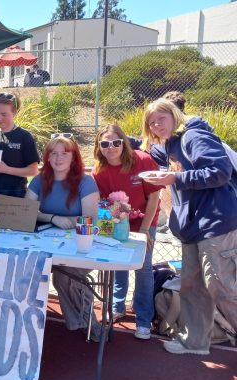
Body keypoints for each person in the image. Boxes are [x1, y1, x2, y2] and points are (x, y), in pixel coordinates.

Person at [143, 98, 237, 355]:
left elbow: (220, 171)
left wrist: (176, 177)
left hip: (215, 224)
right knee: (193, 288)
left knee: (222, 287)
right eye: (151, 122)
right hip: (192, 229)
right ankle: (195, 342)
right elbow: (147, 151)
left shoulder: (194, 137)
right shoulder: (171, 145)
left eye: (161, 118)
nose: (156, 125)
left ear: (174, 115)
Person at [26, 134, 101, 339]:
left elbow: (91, 219)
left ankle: (88, 324)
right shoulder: (39, 180)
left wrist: (66, 220)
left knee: (64, 275)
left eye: (64, 154)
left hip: (80, 242)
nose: (58, 158)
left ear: (74, 158)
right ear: (47, 158)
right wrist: (53, 217)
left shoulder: (85, 181)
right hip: (44, 242)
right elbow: (27, 209)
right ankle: (25, 322)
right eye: (53, 154)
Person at [92, 124, 163, 340]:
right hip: (119, 223)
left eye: (115, 142)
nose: (110, 147)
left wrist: (144, 230)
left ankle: (143, 319)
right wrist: (112, 225)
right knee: (117, 264)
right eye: (105, 143)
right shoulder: (99, 171)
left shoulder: (143, 160)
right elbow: (105, 204)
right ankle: (117, 306)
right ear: (99, 147)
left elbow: (154, 197)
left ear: (124, 142)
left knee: (143, 268)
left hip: (145, 222)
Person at [0, 93, 40, 197]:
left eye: (4, 114)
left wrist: (6, 169)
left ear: (14, 113)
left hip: (14, 194)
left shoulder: (24, 137)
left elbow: (33, 170)